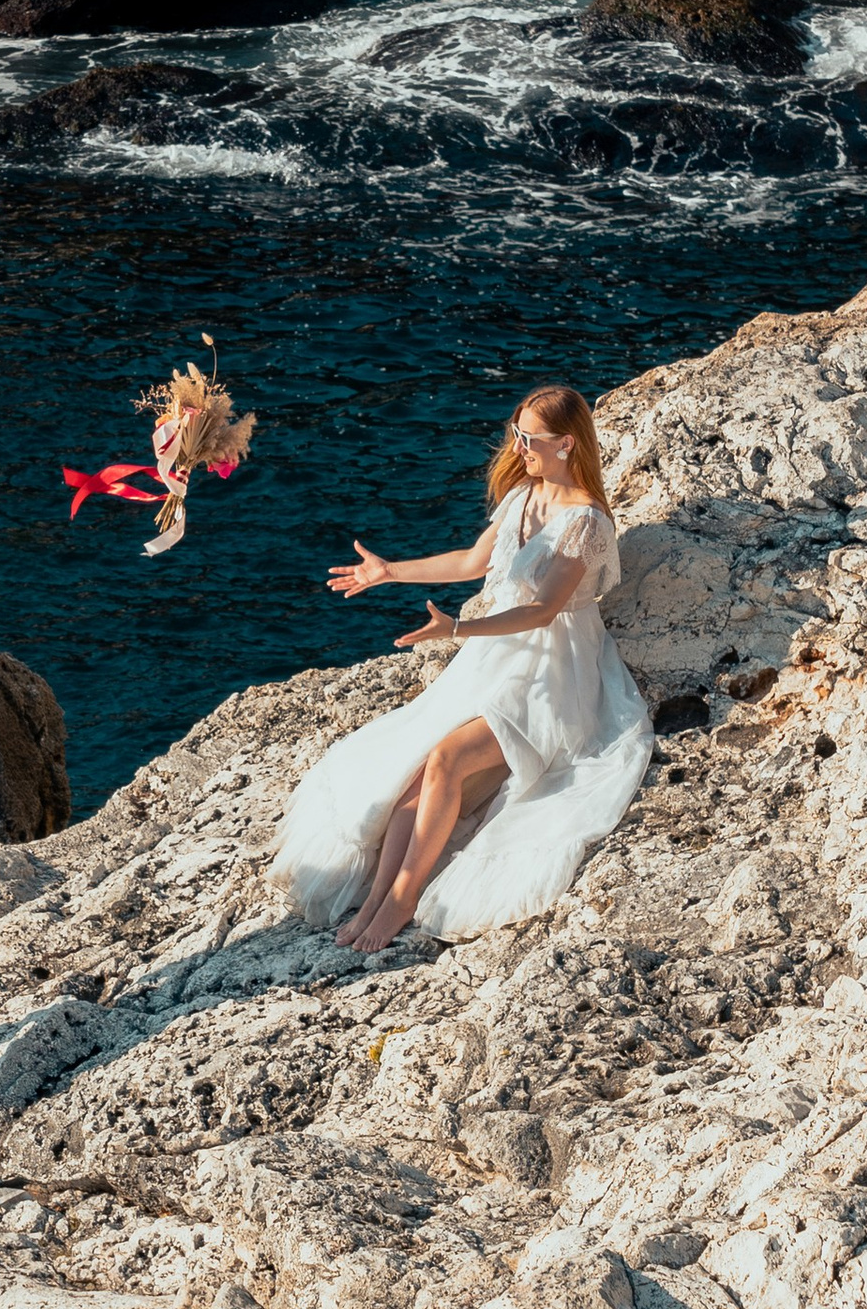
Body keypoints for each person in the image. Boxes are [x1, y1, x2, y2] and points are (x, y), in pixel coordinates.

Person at [271, 381, 651, 952]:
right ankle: (377, 898)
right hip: (495, 659)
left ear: (567, 444)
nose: (518, 447)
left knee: (447, 759)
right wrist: (390, 571)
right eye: (516, 433)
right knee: (416, 770)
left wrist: (455, 629)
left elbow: (543, 611)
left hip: (554, 672)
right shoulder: (524, 496)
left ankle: (402, 899)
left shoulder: (586, 521)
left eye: (530, 438)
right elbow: (474, 561)